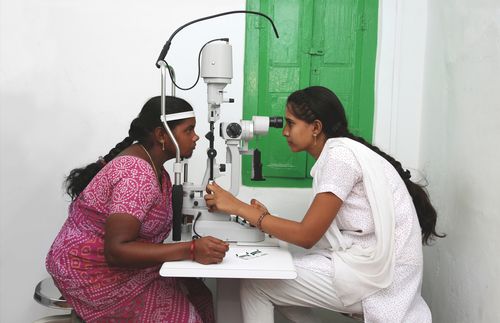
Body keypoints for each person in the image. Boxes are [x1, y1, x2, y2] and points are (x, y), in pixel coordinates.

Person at [204, 86, 445, 323]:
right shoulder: (342, 152)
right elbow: (313, 229)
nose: (285, 132)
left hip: (383, 280)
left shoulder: (339, 156)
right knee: (280, 281)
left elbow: (307, 235)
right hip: (379, 269)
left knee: (257, 285)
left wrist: (237, 206)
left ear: (316, 128)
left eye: (291, 123)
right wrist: (263, 217)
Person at [46, 96, 229, 323]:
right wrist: (191, 249)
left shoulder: (155, 168)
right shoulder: (137, 173)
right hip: (92, 273)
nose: (196, 137)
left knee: (199, 293)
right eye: (189, 130)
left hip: (123, 268)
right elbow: (117, 251)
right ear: (162, 135)